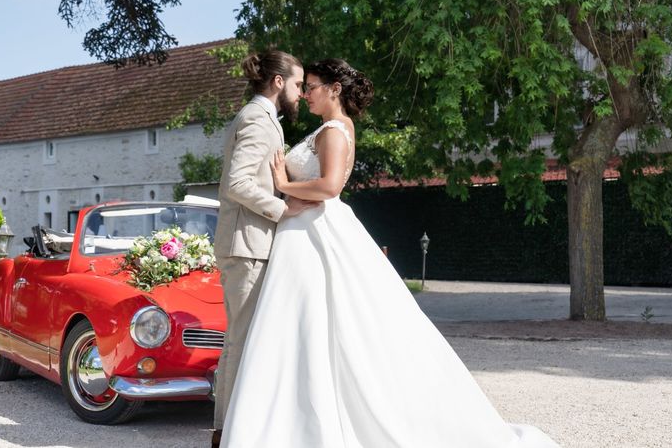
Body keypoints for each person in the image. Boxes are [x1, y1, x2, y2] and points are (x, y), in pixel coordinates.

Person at [220, 59, 560, 447]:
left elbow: (330, 187)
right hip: (302, 230)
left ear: (334, 89)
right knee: (303, 325)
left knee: (315, 322)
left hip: (311, 226)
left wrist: (283, 184)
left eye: (312, 86)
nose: (307, 93)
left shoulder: (334, 129)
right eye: (306, 86)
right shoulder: (329, 128)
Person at [211, 50, 318, 448]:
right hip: (246, 247)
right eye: (296, 84)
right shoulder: (257, 119)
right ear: (277, 83)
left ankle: (245, 429)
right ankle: (223, 434)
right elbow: (236, 184)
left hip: (254, 245)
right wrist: (282, 209)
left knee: (251, 340)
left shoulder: (264, 119)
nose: (299, 93)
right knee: (240, 341)